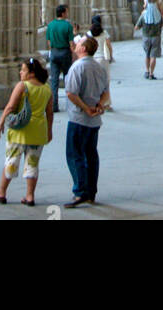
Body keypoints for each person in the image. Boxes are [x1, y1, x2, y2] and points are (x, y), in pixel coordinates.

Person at [0, 56, 53, 206]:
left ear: (31, 73)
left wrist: (1, 122)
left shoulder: (22, 86)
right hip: (38, 131)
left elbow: (11, 107)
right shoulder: (47, 89)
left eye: (23, 70)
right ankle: (30, 196)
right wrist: (49, 131)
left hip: (20, 131)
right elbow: (49, 112)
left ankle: (1, 192)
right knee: (32, 163)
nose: (20, 72)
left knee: (11, 161)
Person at [64, 35, 109, 207]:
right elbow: (106, 92)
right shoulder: (99, 68)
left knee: (75, 154)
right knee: (91, 154)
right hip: (94, 120)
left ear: (83, 49)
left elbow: (71, 93)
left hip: (79, 118)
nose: (76, 44)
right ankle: (91, 192)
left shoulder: (77, 67)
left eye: (79, 43)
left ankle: (80, 191)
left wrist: (85, 108)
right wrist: (98, 105)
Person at [46, 3, 75, 109]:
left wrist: (53, 51)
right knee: (68, 78)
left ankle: (54, 105)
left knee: (54, 80)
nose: (67, 13)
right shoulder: (67, 25)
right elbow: (71, 43)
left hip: (54, 52)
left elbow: (48, 42)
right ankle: (70, 104)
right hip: (65, 52)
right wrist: (74, 54)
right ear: (63, 13)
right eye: (66, 11)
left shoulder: (50, 25)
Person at [135, 0, 163, 79]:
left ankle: (147, 71)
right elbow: (162, 23)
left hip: (146, 36)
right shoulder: (158, 13)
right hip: (156, 36)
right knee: (153, 56)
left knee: (147, 55)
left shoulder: (144, 14)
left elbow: (136, 27)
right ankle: (152, 74)